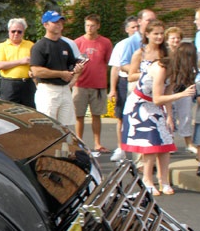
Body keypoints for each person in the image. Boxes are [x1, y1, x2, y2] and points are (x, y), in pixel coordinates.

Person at [120, 21, 196, 195]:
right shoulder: (154, 62)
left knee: (166, 139)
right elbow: (156, 95)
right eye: (156, 33)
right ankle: (147, 179)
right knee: (152, 141)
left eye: (162, 34)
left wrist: (169, 115)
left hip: (156, 102)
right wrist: (181, 94)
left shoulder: (169, 62)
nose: (160, 37)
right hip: (141, 103)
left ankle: (164, 180)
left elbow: (167, 89)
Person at [30, 10, 83, 126]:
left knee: (66, 127)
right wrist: (61, 74)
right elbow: (36, 71)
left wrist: (77, 69)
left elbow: (72, 65)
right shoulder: (39, 46)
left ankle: (64, 145)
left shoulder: (65, 45)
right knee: (48, 126)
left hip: (64, 89)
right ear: (45, 25)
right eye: (55, 22)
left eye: (60, 22)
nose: (59, 24)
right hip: (48, 90)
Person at [72, 14, 113, 153]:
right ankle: (79, 143)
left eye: (92, 25)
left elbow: (109, 62)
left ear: (98, 26)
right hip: (80, 84)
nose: (89, 28)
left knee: (97, 115)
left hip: (98, 84)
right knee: (79, 115)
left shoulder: (105, 43)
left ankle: (97, 143)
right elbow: (72, 63)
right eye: (87, 25)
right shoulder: (77, 42)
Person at [108, 16, 139, 162]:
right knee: (121, 117)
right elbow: (115, 68)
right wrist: (112, 89)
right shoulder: (121, 45)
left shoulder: (144, 43)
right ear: (127, 29)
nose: (135, 29)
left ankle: (139, 149)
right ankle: (121, 148)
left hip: (140, 81)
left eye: (137, 26)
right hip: (123, 81)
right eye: (132, 27)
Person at [0, 18, 35, 108]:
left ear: (23, 32)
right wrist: (21, 61)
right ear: (9, 31)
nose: (16, 34)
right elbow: (0, 65)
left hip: (27, 84)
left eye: (19, 31)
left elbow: (36, 62)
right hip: (9, 84)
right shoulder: (2, 46)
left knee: (29, 111)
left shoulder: (30, 45)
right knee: (8, 110)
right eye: (13, 31)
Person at [169, 42, 199, 153]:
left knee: (186, 117)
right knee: (171, 117)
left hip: (185, 93)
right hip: (173, 92)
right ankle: (170, 141)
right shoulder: (173, 65)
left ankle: (188, 143)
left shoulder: (192, 68)